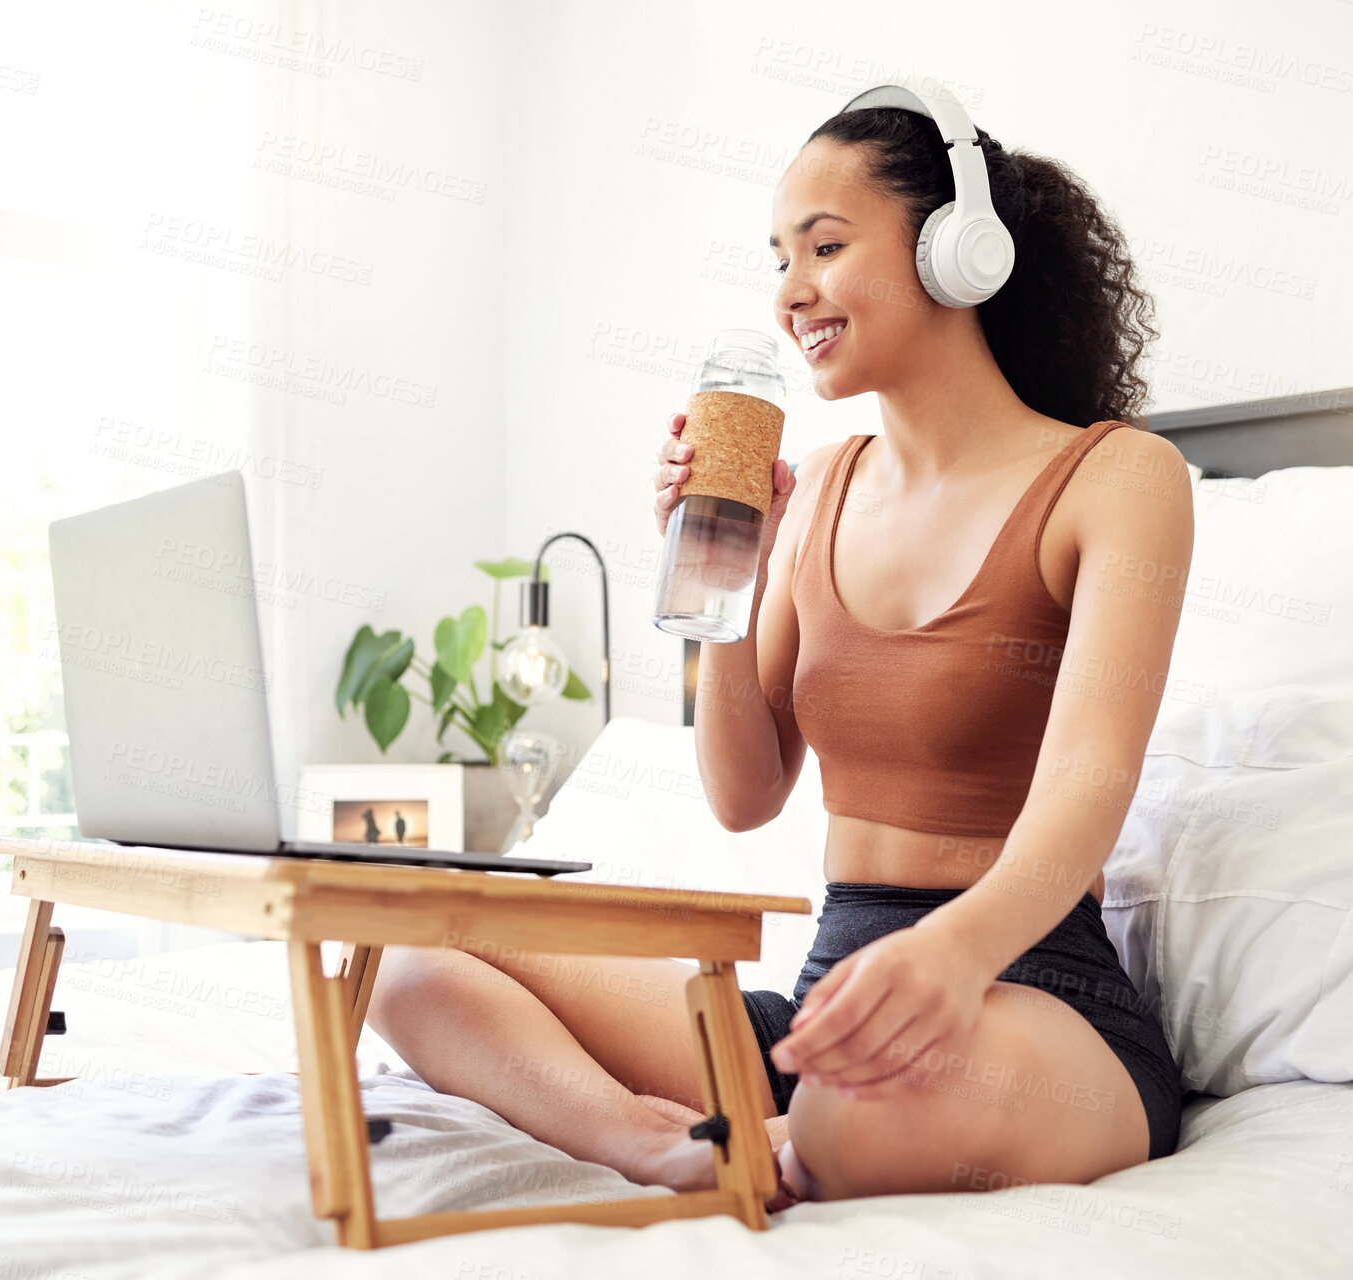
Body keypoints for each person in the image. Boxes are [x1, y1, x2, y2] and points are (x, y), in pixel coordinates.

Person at [367, 98, 1192, 1210]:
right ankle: (664, 1144)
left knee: (846, 1108)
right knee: (406, 956)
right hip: (829, 1003)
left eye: (826, 245)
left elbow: (1091, 777)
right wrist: (721, 576)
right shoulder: (818, 492)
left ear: (957, 250)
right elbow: (741, 793)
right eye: (779, 258)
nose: (789, 288)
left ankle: (791, 1131)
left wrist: (948, 953)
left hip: (1034, 996)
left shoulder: (1116, 477)